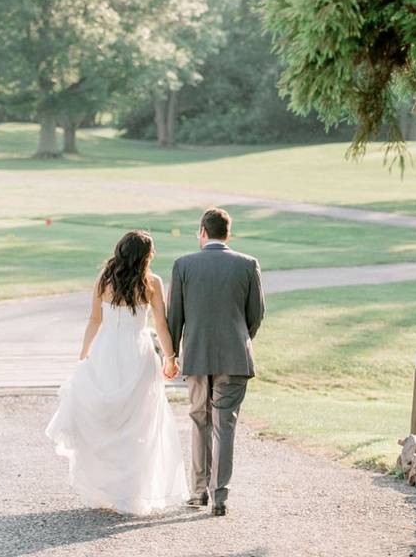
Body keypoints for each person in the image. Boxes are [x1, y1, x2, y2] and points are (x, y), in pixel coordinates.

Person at [45, 230, 188, 515]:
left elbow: (94, 320)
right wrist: (170, 358)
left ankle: (105, 487)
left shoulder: (104, 279)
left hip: (106, 351)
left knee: (104, 421)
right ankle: (131, 492)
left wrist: (84, 356)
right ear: (146, 256)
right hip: (138, 352)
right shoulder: (152, 283)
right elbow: (161, 325)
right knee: (139, 423)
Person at [168, 208, 265, 517]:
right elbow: (256, 315)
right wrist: (239, 340)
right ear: (228, 233)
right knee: (225, 425)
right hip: (235, 356)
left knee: (199, 421)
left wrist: (172, 354)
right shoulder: (248, 265)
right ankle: (220, 496)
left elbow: (175, 318)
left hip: (196, 355)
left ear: (202, 232)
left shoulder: (183, 265)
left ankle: (198, 492)